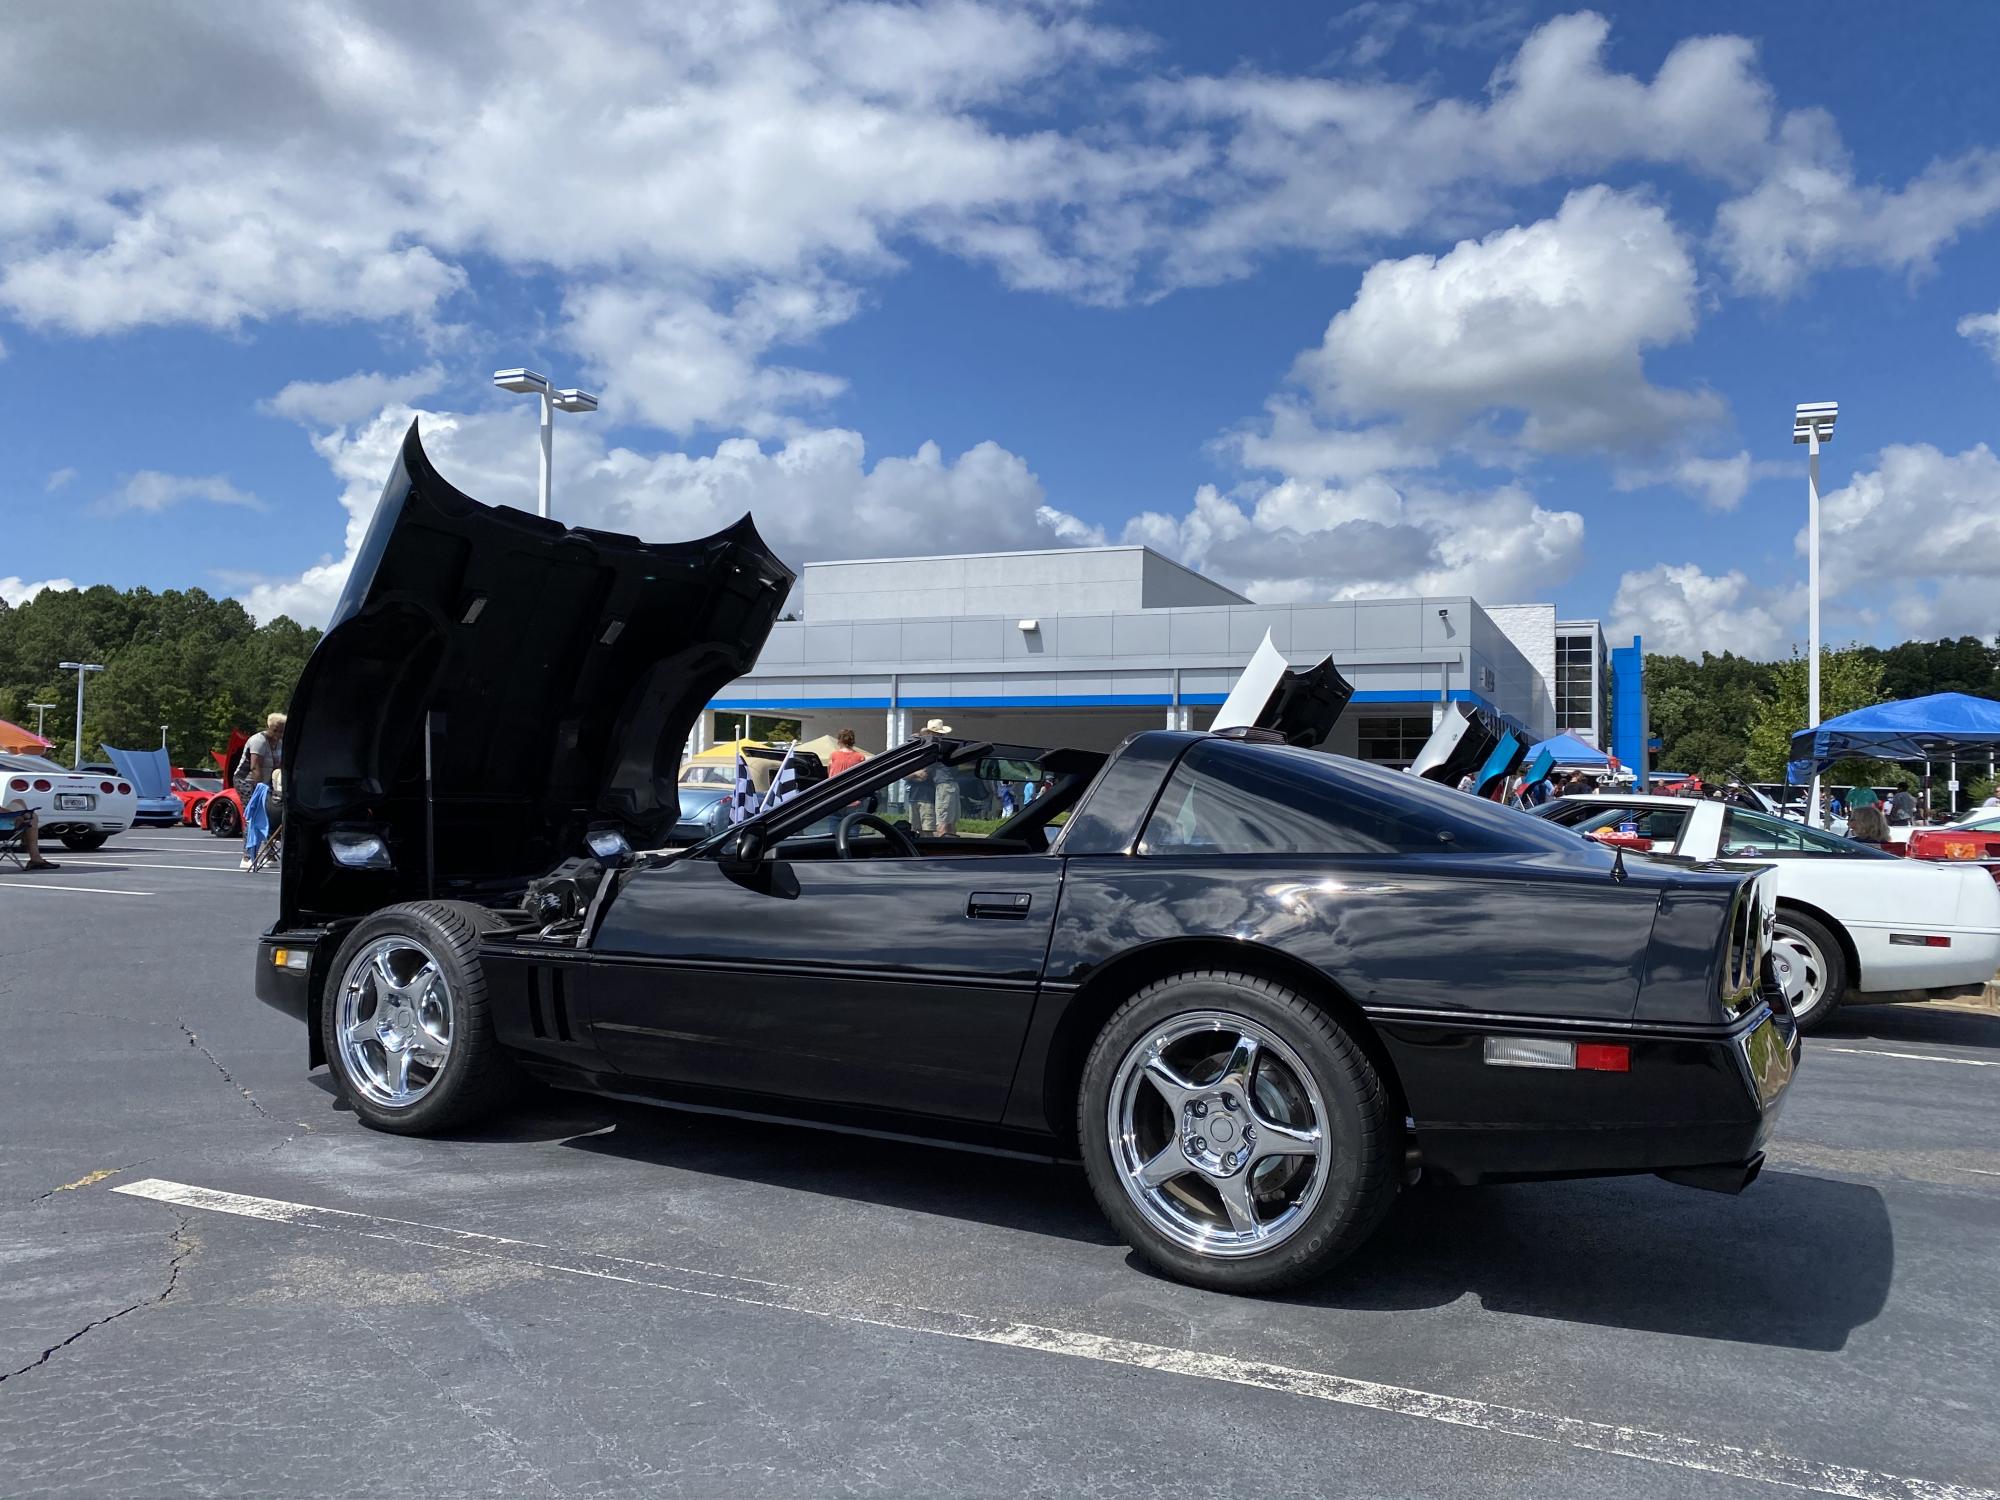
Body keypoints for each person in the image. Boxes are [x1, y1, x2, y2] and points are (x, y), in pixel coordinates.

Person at [239, 712, 285, 871]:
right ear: (270, 728)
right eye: (277, 730)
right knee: (253, 815)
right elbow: (255, 767)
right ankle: (247, 855)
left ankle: (270, 854)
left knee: (269, 815)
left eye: (282, 731)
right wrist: (259, 789)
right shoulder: (258, 741)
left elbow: (279, 766)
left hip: (267, 782)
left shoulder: (279, 744)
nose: (280, 734)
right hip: (247, 781)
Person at [1, 798, 60, 871]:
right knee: (31, 817)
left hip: (5, 826)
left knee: (20, 803)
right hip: (4, 829)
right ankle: (35, 858)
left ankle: (27, 845)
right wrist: (17, 816)